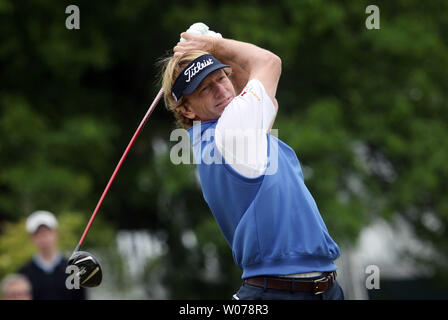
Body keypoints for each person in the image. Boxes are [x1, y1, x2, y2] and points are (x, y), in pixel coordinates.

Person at [160, 32, 344, 300]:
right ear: (187, 110)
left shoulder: (214, 135)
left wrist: (212, 50)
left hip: (318, 289)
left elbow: (257, 89)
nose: (222, 90)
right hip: (278, 293)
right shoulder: (232, 129)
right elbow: (268, 63)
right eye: (206, 88)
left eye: (221, 77)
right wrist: (215, 45)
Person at [18, 210, 86, 300]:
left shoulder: (73, 269)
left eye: (46, 232)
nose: (43, 237)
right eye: (38, 233)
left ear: (56, 233)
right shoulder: (23, 273)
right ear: (31, 238)